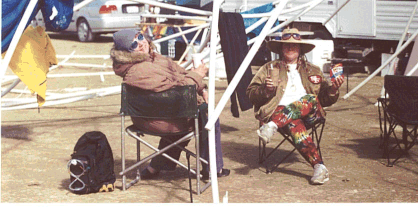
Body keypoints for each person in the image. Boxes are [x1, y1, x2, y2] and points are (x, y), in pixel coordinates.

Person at [111, 28, 230, 180]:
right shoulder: (138, 71)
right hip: (152, 119)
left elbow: (182, 75)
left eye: (140, 37)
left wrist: (203, 89)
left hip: (163, 113)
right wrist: (198, 75)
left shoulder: (155, 58)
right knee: (207, 116)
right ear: (125, 53)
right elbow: (178, 91)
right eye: (133, 45)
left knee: (190, 112)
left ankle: (155, 167)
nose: (140, 44)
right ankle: (213, 168)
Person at [246, 27, 344, 185]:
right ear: (280, 48)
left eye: (294, 45)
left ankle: (271, 126)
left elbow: (325, 100)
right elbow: (250, 94)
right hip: (282, 115)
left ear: (300, 49)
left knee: (310, 99)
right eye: (286, 45)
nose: (290, 48)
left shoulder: (314, 70)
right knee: (293, 122)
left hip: (309, 115)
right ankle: (319, 167)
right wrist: (266, 90)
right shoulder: (268, 69)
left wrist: (333, 89)